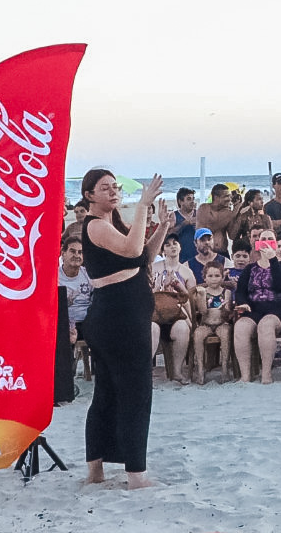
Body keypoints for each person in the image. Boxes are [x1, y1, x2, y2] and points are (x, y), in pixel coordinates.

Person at [80, 168, 170, 490]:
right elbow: (132, 250)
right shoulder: (95, 226)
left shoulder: (111, 224)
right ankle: (136, 475)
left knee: (107, 393)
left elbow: (143, 257)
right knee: (135, 393)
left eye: (115, 187)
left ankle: (96, 472)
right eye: (105, 188)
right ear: (89, 195)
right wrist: (144, 205)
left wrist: (162, 228)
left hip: (119, 316)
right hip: (118, 318)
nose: (113, 192)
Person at [233, 227, 281, 384]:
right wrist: (243, 303)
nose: (266, 243)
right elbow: (240, 291)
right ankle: (245, 376)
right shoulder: (250, 268)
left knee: (266, 325)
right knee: (241, 327)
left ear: (275, 243)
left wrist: (272, 259)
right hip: (255, 308)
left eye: (269, 240)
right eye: (262, 240)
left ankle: (266, 374)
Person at [150, 238, 195, 383]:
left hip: (176, 313)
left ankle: (177, 371)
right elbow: (144, 294)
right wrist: (157, 289)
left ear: (181, 247)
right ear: (163, 250)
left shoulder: (186, 272)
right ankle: (144, 372)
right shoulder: (153, 268)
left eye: (175, 243)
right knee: (152, 329)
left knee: (182, 328)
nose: (172, 247)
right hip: (156, 312)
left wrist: (179, 288)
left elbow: (190, 300)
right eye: (168, 245)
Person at [190, 263, 235, 383]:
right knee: (198, 334)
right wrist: (202, 296)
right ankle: (200, 368)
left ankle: (224, 367)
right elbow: (203, 312)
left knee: (225, 334)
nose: (214, 279)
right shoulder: (202, 292)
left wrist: (226, 308)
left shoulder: (226, 292)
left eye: (217, 275)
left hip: (221, 322)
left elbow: (228, 314)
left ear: (222, 277)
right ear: (204, 278)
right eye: (210, 276)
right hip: (206, 324)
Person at [58, 233, 93, 379]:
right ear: (63, 253)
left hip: (86, 322)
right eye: (72, 251)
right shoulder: (53, 276)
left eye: (80, 252)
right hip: (62, 322)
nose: (77, 255)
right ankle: (65, 380)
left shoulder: (88, 275)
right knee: (61, 334)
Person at [195, 184, 239, 255]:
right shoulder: (204, 208)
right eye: (226, 196)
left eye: (230, 196)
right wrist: (232, 214)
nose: (229, 199)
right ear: (216, 197)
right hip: (206, 253)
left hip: (223, 252)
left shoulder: (228, 212)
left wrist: (237, 215)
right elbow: (207, 230)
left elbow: (232, 235)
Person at [166, 188, 200, 264]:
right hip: (180, 258)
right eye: (188, 199)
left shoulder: (199, 214)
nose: (192, 202)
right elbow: (169, 235)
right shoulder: (174, 215)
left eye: (193, 199)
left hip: (198, 257)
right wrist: (184, 223)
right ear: (180, 201)